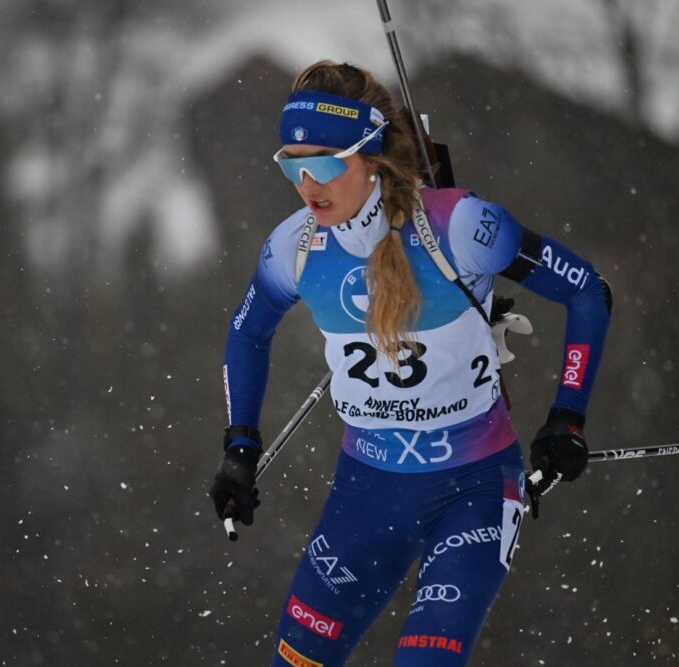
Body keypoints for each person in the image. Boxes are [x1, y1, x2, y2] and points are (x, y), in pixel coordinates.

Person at [209, 60, 612, 667]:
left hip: (473, 490)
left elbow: (587, 292)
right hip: (366, 492)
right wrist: (240, 448)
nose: (305, 183)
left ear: (370, 155)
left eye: (322, 163)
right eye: (291, 163)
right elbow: (246, 335)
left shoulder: (460, 226)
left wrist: (568, 417)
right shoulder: (294, 246)